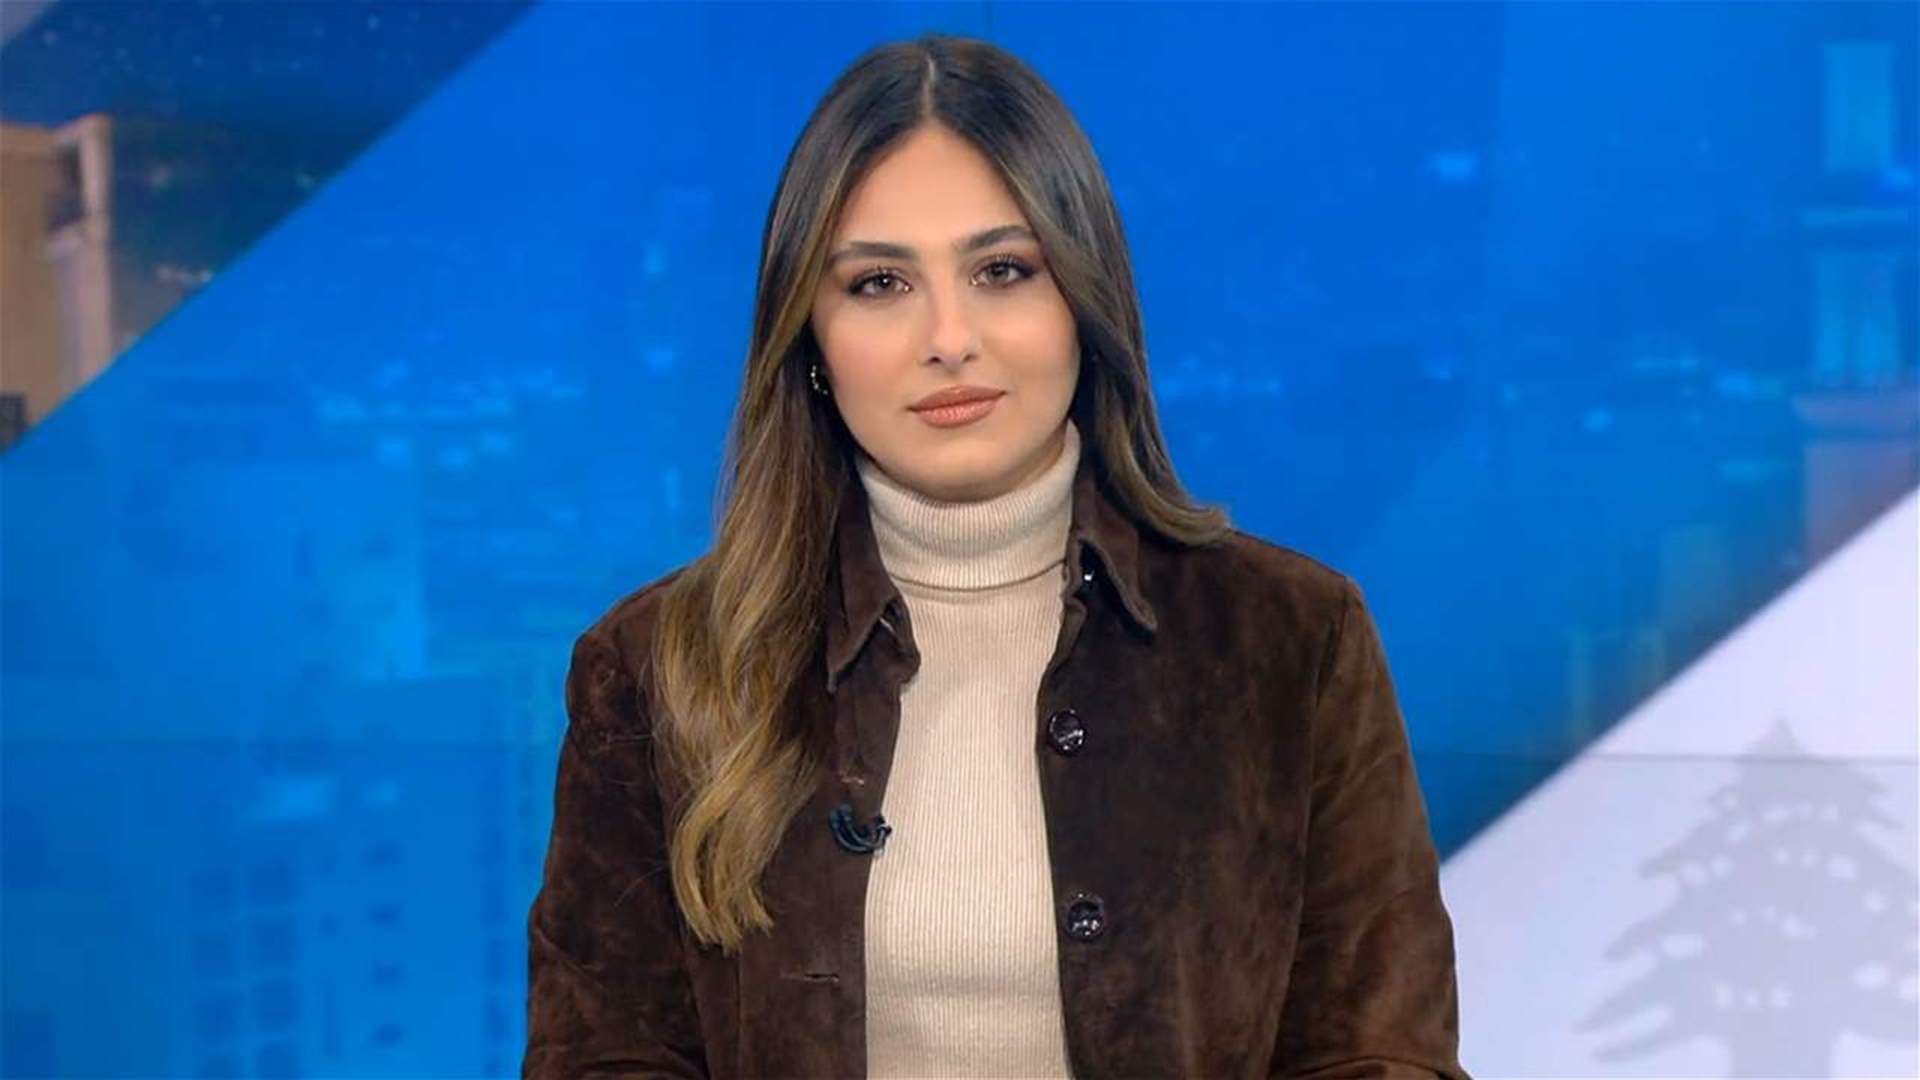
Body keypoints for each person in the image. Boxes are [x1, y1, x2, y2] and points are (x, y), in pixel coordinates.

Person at [523, 31, 1467, 1080]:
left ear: (1082, 303)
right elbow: (604, 1059)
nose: (949, 337)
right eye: (879, 283)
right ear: (811, 341)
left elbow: (1378, 1054)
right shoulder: (657, 667)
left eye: (1003, 270)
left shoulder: (1290, 640)